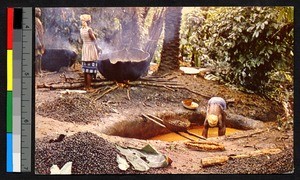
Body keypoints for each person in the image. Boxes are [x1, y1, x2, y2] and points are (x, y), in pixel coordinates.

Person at [80, 14, 99, 92]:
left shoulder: (81, 29)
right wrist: (98, 48)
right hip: (90, 49)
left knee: (85, 69)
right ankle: (89, 87)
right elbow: (94, 40)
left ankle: (85, 86)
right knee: (90, 69)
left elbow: (83, 39)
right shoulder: (89, 29)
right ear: (88, 21)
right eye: (90, 19)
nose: (91, 21)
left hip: (85, 48)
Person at [35, 8, 44, 76]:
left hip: (39, 40)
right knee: (37, 56)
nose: (40, 12)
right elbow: (35, 33)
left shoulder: (38, 20)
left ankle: (40, 70)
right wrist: (38, 42)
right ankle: (37, 72)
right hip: (36, 41)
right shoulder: (35, 20)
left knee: (40, 56)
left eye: (40, 11)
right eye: (38, 11)